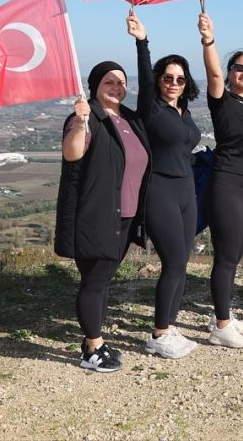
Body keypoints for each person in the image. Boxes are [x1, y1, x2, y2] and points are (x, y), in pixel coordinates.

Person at [55, 62, 151, 372]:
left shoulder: (129, 119)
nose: (116, 87)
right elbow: (72, 153)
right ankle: (92, 349)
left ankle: (94, 340)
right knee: (95, 281)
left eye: (121, 82)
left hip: (126, 215)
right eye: (109, 82)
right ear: (95, 86)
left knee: (102, 279)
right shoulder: (87, 118)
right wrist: (80, 123)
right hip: (98, 215)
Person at [126, 12, 200, 359]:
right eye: (167, 77)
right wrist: (143, 41)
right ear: (158, 80)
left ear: (186, 84)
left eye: (179, 79)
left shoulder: (184, 112)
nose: (173, 83)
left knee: (182, 262)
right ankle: (158, 333)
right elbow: (143, 78)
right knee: (172, 262)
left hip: (187, 191)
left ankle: (169, 325)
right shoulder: (151, 109)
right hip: (160, 191)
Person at [199, 12, 243, 348]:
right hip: (226, 186)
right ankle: (221, 326)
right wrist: (209, 40)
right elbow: (213, 73)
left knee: (235, 256)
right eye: (239, 68)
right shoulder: (223, 102)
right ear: (229, 73)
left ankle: (223, 312)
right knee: (225, 258)